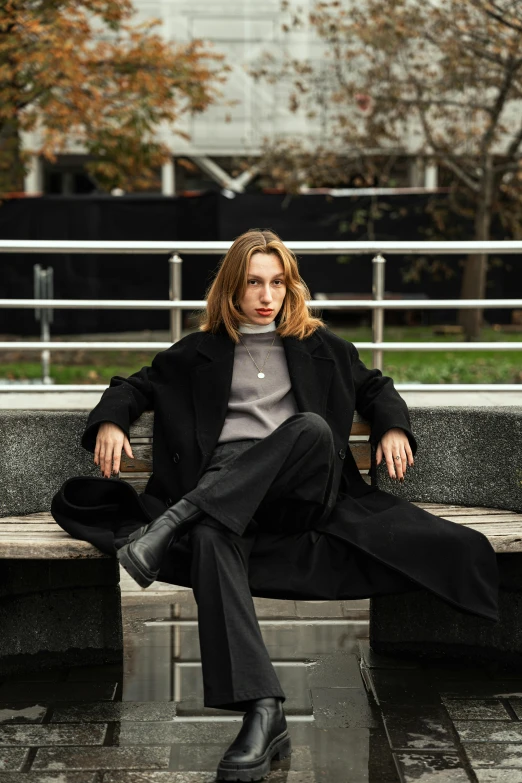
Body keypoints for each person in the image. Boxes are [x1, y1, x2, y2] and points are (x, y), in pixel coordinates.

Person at [51, 228, 499, 783]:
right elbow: (132, 386)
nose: (266, 295)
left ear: (290, 288)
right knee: (215, 537)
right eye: (253, 283)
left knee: (308, 428)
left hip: (299, 489)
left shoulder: (322, 347)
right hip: (227, 491)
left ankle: (174, 521)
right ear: (231, 291)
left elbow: (377, 388)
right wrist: (112, 419)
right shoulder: (197, 353)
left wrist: (392, 429)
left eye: (277, 283)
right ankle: (263, 710)